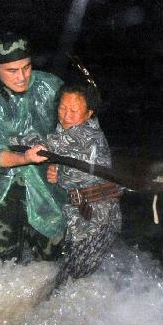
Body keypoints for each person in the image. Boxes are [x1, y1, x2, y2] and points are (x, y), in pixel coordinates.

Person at [0, 32, 67, 263]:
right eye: (12, 71)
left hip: (47, 185)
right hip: (3, 187)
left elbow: (78, 124)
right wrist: (26, 157)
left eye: (26, 67)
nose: (21, 77)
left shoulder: (51, 86)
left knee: (53, 264)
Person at [24, 82, 122, 287]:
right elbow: (74, 165)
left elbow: (37, 145)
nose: (66, 116)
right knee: (71, 284)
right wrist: (59, 173)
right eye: (62, 107)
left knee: (67, 288)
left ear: (89, 114)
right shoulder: (73, 128)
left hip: (95, 223)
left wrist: (1, 138)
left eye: (74, 111)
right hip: (82, 217)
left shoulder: (83, 135)